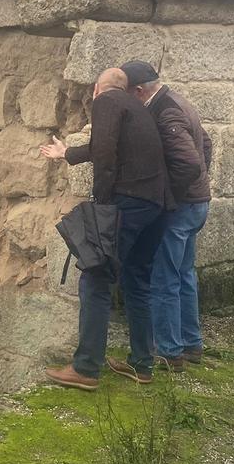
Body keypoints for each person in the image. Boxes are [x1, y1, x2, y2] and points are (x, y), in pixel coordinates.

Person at [40, 67, 170, 390]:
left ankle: (86, 368)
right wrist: (67, 153)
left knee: (96, 277)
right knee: (137, 279)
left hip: (129, 201)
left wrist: (102, 204)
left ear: (98, 88)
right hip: (157, 205)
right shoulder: (136, 107)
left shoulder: (106, 102)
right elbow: (102, 147)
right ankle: (142, 364)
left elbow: (106, 154)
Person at [121, 61, 212, 369]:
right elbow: (206, 145)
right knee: (184, 274)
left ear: (138, 91)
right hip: (196, 203)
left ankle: (170, 352)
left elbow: (188, 162)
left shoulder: (165, 111)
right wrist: (198, 187)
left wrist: (170, 197)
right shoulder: (179, 101)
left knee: (164, 278)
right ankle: (191, 344)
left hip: (182, 207)